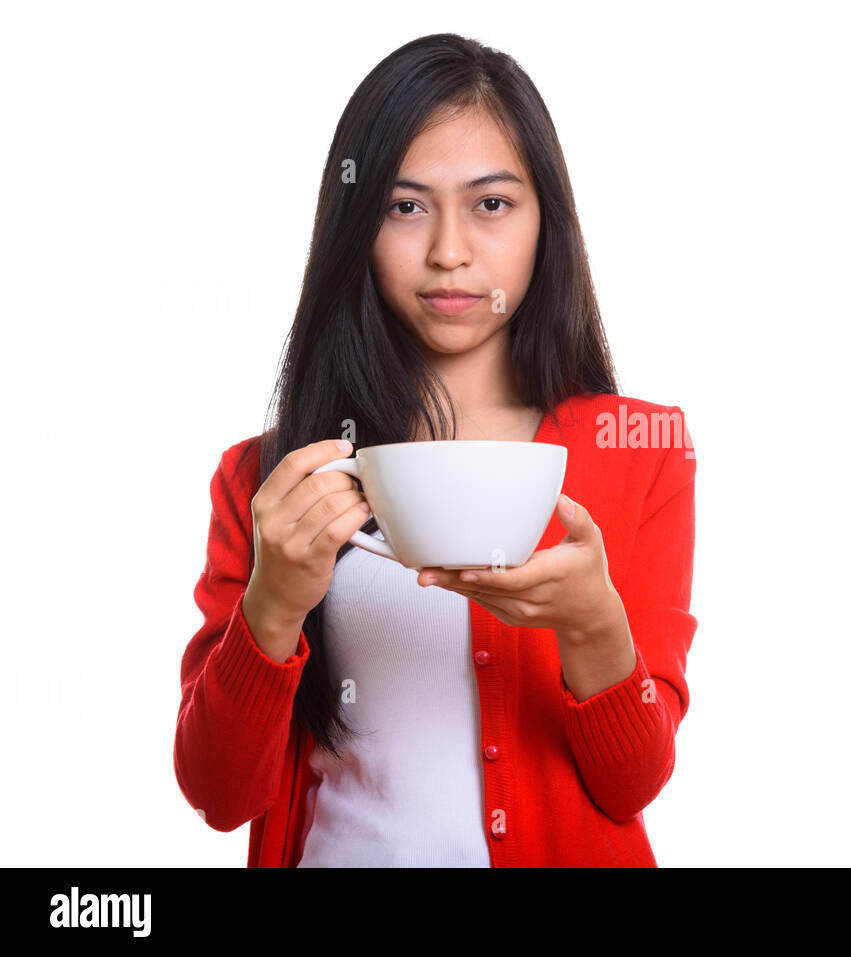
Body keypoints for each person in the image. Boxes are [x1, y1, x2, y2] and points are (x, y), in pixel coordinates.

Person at [173, 33, 697, 867]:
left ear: (545, 221)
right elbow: (218, 793)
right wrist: (269, 608)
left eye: (491, 204)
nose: (449, 250)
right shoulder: (267, 479)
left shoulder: (640, 449)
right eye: (405, 205)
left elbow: (630, 783)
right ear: (358, 225)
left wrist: (596, 627)